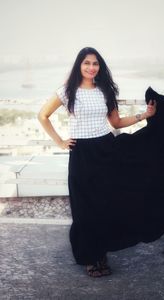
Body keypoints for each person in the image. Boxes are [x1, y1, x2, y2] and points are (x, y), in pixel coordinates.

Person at [38, 46, 156, 277]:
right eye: (87, 63)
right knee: (84, 208)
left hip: (106, 149)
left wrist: (144, 115)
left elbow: (117, 122)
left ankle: (100, 252)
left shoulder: (105, 90)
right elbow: (43, 115)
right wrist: (60, 142)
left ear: (99, 67)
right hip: (81, 153)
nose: (91, 67)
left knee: (105, 205)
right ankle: (89, 256)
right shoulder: (67, 91)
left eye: (95, 64)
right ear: (79, 66)